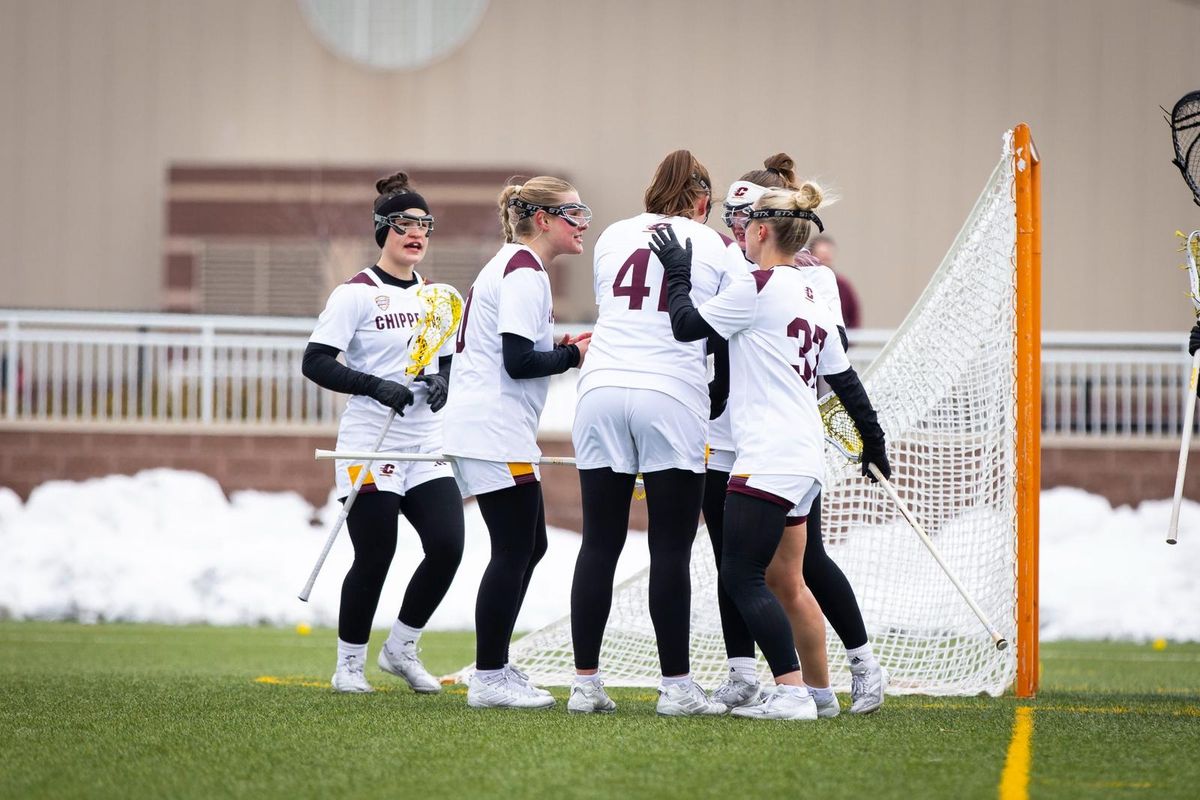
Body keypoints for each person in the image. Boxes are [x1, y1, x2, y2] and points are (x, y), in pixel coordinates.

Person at [653, 183, 890, 720]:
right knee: (788, 575)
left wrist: (678, 271)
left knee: (740, 575)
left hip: (769, 454)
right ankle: (821, 693)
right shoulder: (809, 291)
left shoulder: (757, 284)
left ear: (762, 230)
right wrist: (873, 442)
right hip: (805, 456)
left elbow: (687, 325)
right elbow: (846, 379)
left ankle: (789, 692)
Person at [567, 150, 742, 716]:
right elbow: (722, 324)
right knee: (670, 547)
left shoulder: (614, 235)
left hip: (600, 390)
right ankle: (675, 687)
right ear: (699, 200)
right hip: (669, 393)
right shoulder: (712, 244)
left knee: (599, 543)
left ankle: (585, 684)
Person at [302, 171, 464, 694]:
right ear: (383, 231)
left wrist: (441, 381)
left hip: (424, 443)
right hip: (371, 442)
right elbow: (316, 362)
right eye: (404, 225)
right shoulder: (356, 295)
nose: (416, 233)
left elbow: (443, 362)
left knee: (448, 545)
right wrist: (373, 385)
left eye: (424, 225)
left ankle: (401, 648)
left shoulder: (437, 298)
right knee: (377, 552)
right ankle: (349, 664)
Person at [441, 176, 592, 709]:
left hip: (494, 425)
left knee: (531, 545)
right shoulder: (524, 271)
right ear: (544, 219)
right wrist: (575, 356)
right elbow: (518, 362)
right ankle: (487, 677)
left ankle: (497, 666)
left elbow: (519, 350)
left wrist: (561, 347)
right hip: (491, 427)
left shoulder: (517, 266)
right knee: (515, 548)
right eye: (574, 214)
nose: (583, 224)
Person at [808, 234, 861, 330]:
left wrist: (846, 341)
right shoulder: (803, 283)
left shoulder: (843, 285)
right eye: (822, 259)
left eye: (827, 258)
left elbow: (854, 317)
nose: (825, 264)